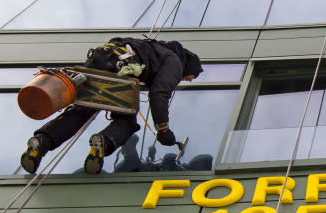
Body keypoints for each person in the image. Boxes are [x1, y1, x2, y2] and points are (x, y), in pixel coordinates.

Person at [19, 37, 203, 174]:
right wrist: (163, 130)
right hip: (120, 74)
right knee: (127, 122)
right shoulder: (175, 62)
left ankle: (42, 141)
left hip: (98, 63)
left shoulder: (151, 48)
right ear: (189, 67)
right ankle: (103, 142)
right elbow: (159, 94)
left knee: (82, 111)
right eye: (191, 76)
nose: (188, 79)